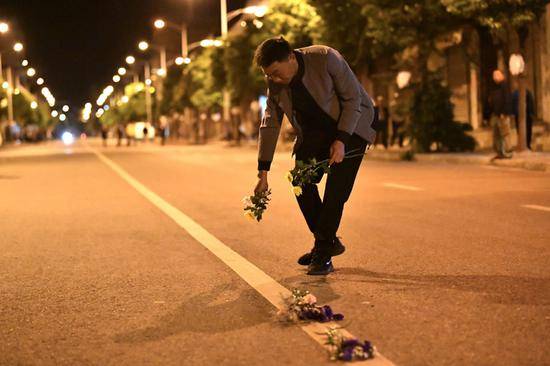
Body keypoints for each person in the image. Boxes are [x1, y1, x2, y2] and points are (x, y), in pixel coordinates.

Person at [252, 37, 376, 275]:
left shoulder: (325, 58)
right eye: (269, 75)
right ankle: (327, 242)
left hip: (353, 126)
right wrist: (263, 172)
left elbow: (354, 100)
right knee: (300, 182)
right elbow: (270, 123)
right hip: (315, 134)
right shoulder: (275, 83)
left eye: (276, 73)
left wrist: (341, 141)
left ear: (290, 57)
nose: (274, 80)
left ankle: (322, 251)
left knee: (335, 192)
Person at [488, 70, 513, 159]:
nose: (495, 77)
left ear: (502, 75)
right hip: (495, 114)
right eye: (494, 75)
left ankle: (508, 152)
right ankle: (499, 152)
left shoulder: (505, 85)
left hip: (503, 114)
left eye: (497, 74)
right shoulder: (494, 87)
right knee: (496, 134)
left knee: (505, 133)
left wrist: (504, 112)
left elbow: (507, 99)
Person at [512, 81, 535, 150]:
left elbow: (531, 103)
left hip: (527, 114)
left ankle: (527, 144)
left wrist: (531, 113)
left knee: (527, 130)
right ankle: (526, 144)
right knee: (522, 130)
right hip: (520, 114)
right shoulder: (516, 93)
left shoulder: (527, 93)